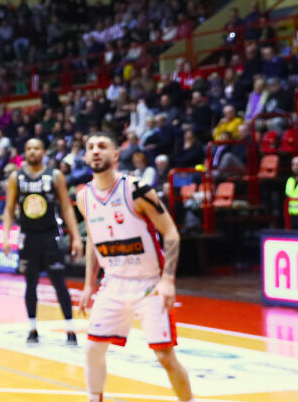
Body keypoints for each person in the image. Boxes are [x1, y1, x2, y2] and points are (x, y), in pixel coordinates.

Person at [77, 132, 195, 402]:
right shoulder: (84, 196)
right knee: (93, 348)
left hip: (149, 284)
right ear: (85, 156)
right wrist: (88, 285)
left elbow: (171, 233)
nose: (96, 151)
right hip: (113, 282)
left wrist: (168, 280)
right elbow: (92, 241)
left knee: (165, 356)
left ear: (115, 155)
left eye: (102, 146)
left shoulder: (136, 189)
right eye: (91, 147)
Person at [1, 138, 83, 345]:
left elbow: (66, 207)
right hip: (27, 237)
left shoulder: (55, 176)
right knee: (30, 283)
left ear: (44, 151)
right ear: (24, 153)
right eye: (28, 148)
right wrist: (6, 237)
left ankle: (70, 329)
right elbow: (9, 208)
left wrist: (75, 237)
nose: (32, 151)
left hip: (50, 236)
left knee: (59, 282)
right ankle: (32, 328)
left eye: (36, 147)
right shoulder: (16, 177)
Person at [285, 155, 298, 229]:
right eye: (293, 164)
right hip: (291, 216)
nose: (295, 167)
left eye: (297, 164)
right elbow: (288, 194)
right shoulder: (290, 180)